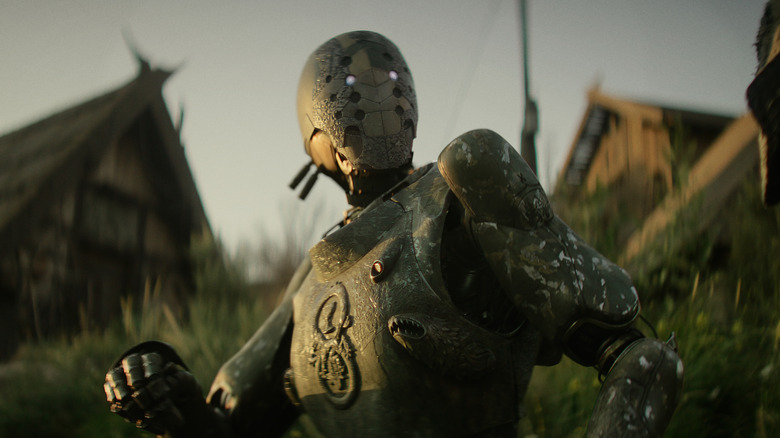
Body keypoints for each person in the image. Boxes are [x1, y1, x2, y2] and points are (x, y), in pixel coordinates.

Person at [104, 31, 683, 438]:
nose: (367, 95)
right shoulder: (308, 290)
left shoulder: (463, 189)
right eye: (348, 82)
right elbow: (229, 425)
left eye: (378, 77)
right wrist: (168, 389)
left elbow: (637, 354)